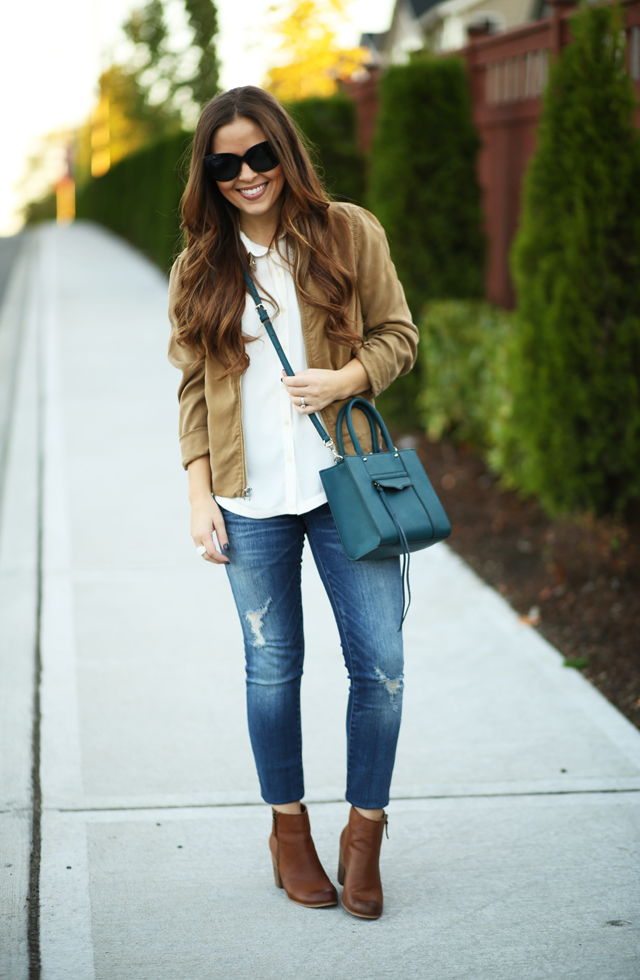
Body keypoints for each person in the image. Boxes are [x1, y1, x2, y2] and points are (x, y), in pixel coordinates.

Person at [167, 85, 418, 920]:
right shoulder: (201, 264)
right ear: (209, 172)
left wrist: (346, 377)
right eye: (226, 162)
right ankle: (288, 833)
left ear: (285, 152)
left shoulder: (348, 231)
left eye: (260, 155)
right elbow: (194, 390)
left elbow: (399, 336)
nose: (247, 174)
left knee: (379, 667)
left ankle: (365, 834)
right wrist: (199, 492)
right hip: (248, 500)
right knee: (272, 672)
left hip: (348, 492)